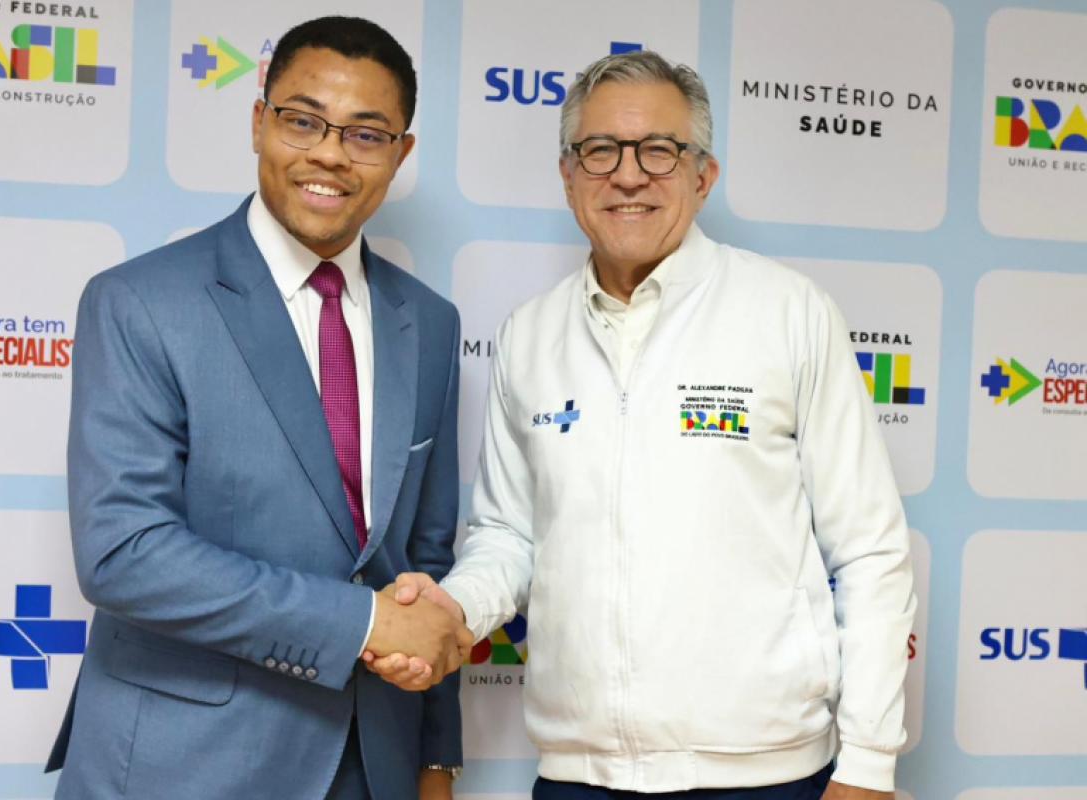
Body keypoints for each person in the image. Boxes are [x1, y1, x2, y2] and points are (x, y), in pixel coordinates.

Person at [370, 50, 916, 799]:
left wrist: (869, 765)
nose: (628, 176)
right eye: (600, 150)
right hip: (578, 777)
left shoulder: (789, 312)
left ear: (703, 175)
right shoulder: (530, 335)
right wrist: (453, 609)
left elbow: (870, 551)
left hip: (770, 775)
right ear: (568, 176)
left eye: (659, 150)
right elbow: (510, 536)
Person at [47, 16, 471, 800]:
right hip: (183, 764)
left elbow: (425, 564)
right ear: (258, 122)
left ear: (401, 153)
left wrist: (436, 758)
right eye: (303, 121)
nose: (330, 155)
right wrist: (360, 624)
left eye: (366, 135)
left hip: (374, 762)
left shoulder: (430, 323)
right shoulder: (141, 301)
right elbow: (123, 551)